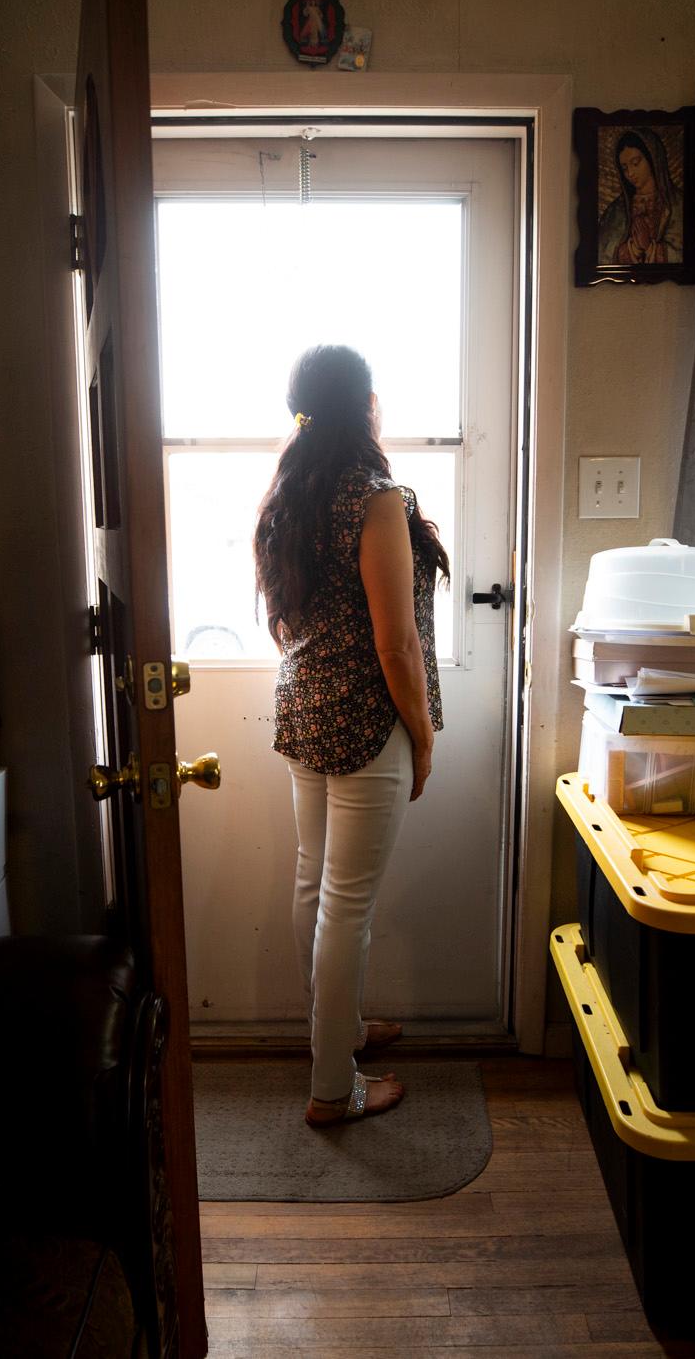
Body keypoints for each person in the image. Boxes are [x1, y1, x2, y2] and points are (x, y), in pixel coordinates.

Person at [255, 345, 447, 1127]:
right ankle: (335, 1087)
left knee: (316, 885)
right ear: (366, 406)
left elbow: (286, 618)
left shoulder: (287, 493)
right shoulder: (372, 498)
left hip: (304, 708)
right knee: (347, 905)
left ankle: (338, 1032)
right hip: (366, 718)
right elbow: (395, 644)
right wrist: (422, 736)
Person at [596, 128, 681, 266]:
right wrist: (633, 249)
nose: (630, 173)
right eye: (624, 168)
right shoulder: (617, 210)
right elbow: (602, 254)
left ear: (652, 159)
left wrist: (649, 247)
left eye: (635, 163)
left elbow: (682, 254)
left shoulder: (678, 204)